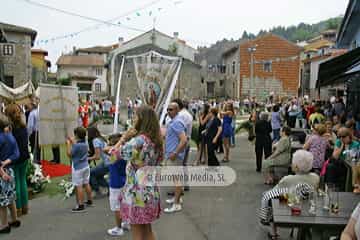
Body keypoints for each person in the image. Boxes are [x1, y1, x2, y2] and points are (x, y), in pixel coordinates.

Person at [114, 105, 163, 240]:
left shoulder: (138, 141)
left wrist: (124, 138)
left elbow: (113, 155)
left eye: (135, 116)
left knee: (137, 231)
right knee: (147, 229)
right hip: (149, 189)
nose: (133, 118)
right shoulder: (156, 141)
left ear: (141, 119)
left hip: (136, 192)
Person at [267, 150, 320, 239]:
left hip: (291, 207)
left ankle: (273, 233)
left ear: (296, 167)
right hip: (308, 207)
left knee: (270, 198)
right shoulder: (315, 177)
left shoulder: (287, 179)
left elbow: (273, 193)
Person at [5, 104, 30, 216]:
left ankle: (18, 208)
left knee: (17, 183)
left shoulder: (9, 130)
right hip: (24, 156)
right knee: (22, 181)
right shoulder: (24, 126)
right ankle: (25, 207)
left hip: (15, 158)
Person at [164, 102, 187, 213]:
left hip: (174, 156)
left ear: (177, 110)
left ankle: (176, 204)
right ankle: (177, 198)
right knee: (176, 179)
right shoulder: (174, 121)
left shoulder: (177, 122)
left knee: (176, 180)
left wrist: (175, 153)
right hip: (172, 154)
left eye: (171, 109)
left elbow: (184, 140)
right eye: (168, 109)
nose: (168, 111)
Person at [0, 114, 20, 234]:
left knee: (2, 202)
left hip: (1, 173)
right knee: (11, 197)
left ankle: (4, 225)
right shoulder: (10, 137)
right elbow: (17, 153)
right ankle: (14, 219)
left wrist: (2, 171)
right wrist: (8, 161)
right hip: (10, 170)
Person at [66, 127, 93, 212]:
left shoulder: (77, 146)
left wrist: (68, 144)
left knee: (79, 186)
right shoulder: (85, 143)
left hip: (78, 168)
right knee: (86, 183)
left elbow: (69, 154)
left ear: (76, 135)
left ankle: (80, 205)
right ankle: (89, 200)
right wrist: (72, 141)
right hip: (86, 166)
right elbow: (77, 145)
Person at [106, 150, 129, 236]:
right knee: (125, 204)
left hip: (116, 184)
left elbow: (105, 150)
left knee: (117, 207)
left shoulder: (114, 154)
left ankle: (118, 228)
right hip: (124, 181)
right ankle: (126, 223)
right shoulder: (125, 153)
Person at [88, 127, 110, 196]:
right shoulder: (101, 138)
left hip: (107, 163)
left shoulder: (95, 140)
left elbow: (97, 157)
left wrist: (87, 158)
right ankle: (107, 186)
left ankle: (96, 189)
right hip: (109, 161)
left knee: (90, 173)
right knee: (98, 174)